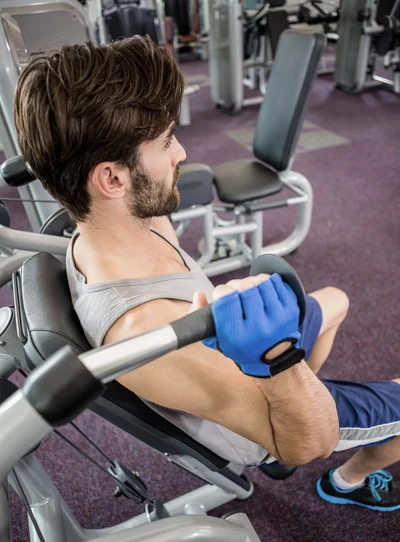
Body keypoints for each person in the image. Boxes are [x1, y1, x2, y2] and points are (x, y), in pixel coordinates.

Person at [13, 36, 400, 511]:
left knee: (336, 299)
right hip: (267, 404)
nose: (182, 153)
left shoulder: (111, 220)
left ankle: (298, 397)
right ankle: (349, 480)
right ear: (111, 179)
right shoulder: (144, 331)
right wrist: (278, 359)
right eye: (166, 142)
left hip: (235, 352)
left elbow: (128, 171)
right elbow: (309, 445)